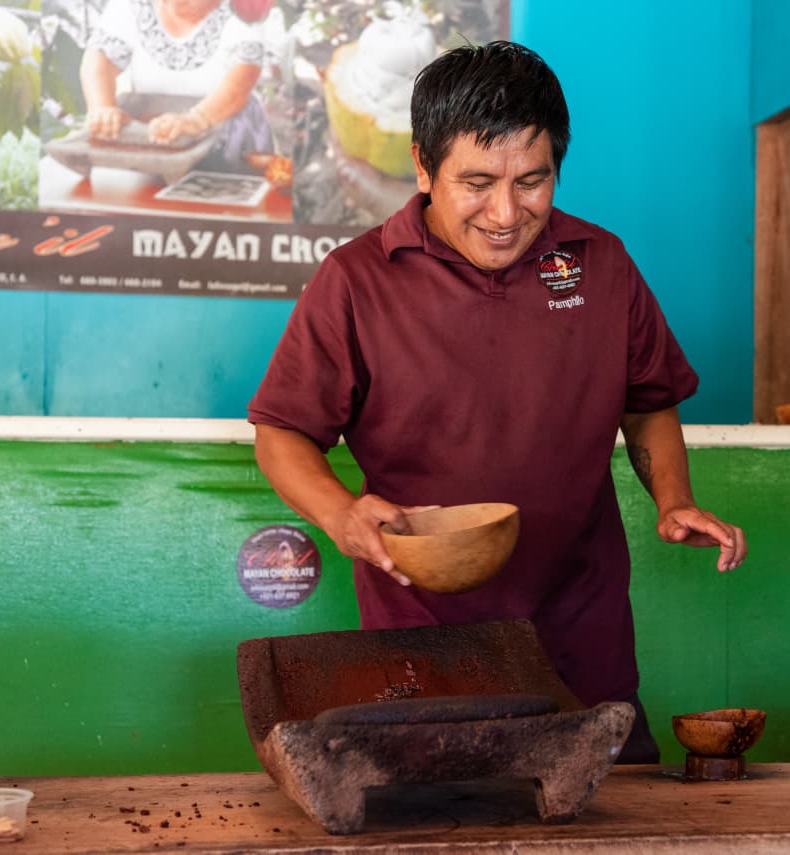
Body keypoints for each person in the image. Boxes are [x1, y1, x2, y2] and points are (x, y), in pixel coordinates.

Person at [248, 41, 746, 763]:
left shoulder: (601, 264)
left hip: (582, 639)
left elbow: (648, 401)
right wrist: (341, 514)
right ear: (422, 165)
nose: (507, 213)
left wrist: (673, 497)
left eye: (533, 181)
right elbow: (282, 431)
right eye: (477, 182)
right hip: (420, 647)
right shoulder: (356, 280)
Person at [80, 0, 270, 165]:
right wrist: (102, 106)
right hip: (151, 140)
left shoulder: (246, 7)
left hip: (228, 137)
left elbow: (242, 78)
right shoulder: (131, 4)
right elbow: (100, 61)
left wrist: (197, 120)